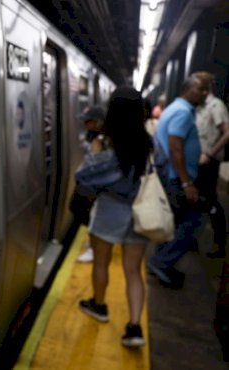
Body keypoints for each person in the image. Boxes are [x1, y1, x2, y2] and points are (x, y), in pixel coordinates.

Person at [75, 87, 153, 347]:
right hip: (141, 211)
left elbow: (85, 178)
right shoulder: (148, 143)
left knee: (101, 263)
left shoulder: (105, 143)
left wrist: (93, 152)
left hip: (110, 209)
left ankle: (99, 306)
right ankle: (134, 328)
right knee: (133, 272)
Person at [147, 75, 209, 289]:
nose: (206, 93)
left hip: (171, 176)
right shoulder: (183, 112)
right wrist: (186, 183)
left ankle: (160, 260)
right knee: (193, 222)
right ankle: (161, 263)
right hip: (177, 179)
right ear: (188, 89)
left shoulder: (175, 108)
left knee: (173, 223)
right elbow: (175, 147)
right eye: (201, 89)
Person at [193, 71, 229, 258]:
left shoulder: (216, 106)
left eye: (196, 88)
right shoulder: (199, 108)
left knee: (210, 201)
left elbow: (227, 132)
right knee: (197, 199)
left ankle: (220, 243)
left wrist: (209, 154)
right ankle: (191, 239)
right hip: (198, 161)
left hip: (209, 162)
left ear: (206, 89)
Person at [74, 105, 106, 263]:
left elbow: (97, 163)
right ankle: (95, 244)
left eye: (88, 121)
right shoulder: (92, 135)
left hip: (95, 185)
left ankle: (95, 248)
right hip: (89, 182)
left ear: (98, 122)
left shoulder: (102, 139)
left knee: (91, 214)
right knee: (81, 210)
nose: (85, 124)